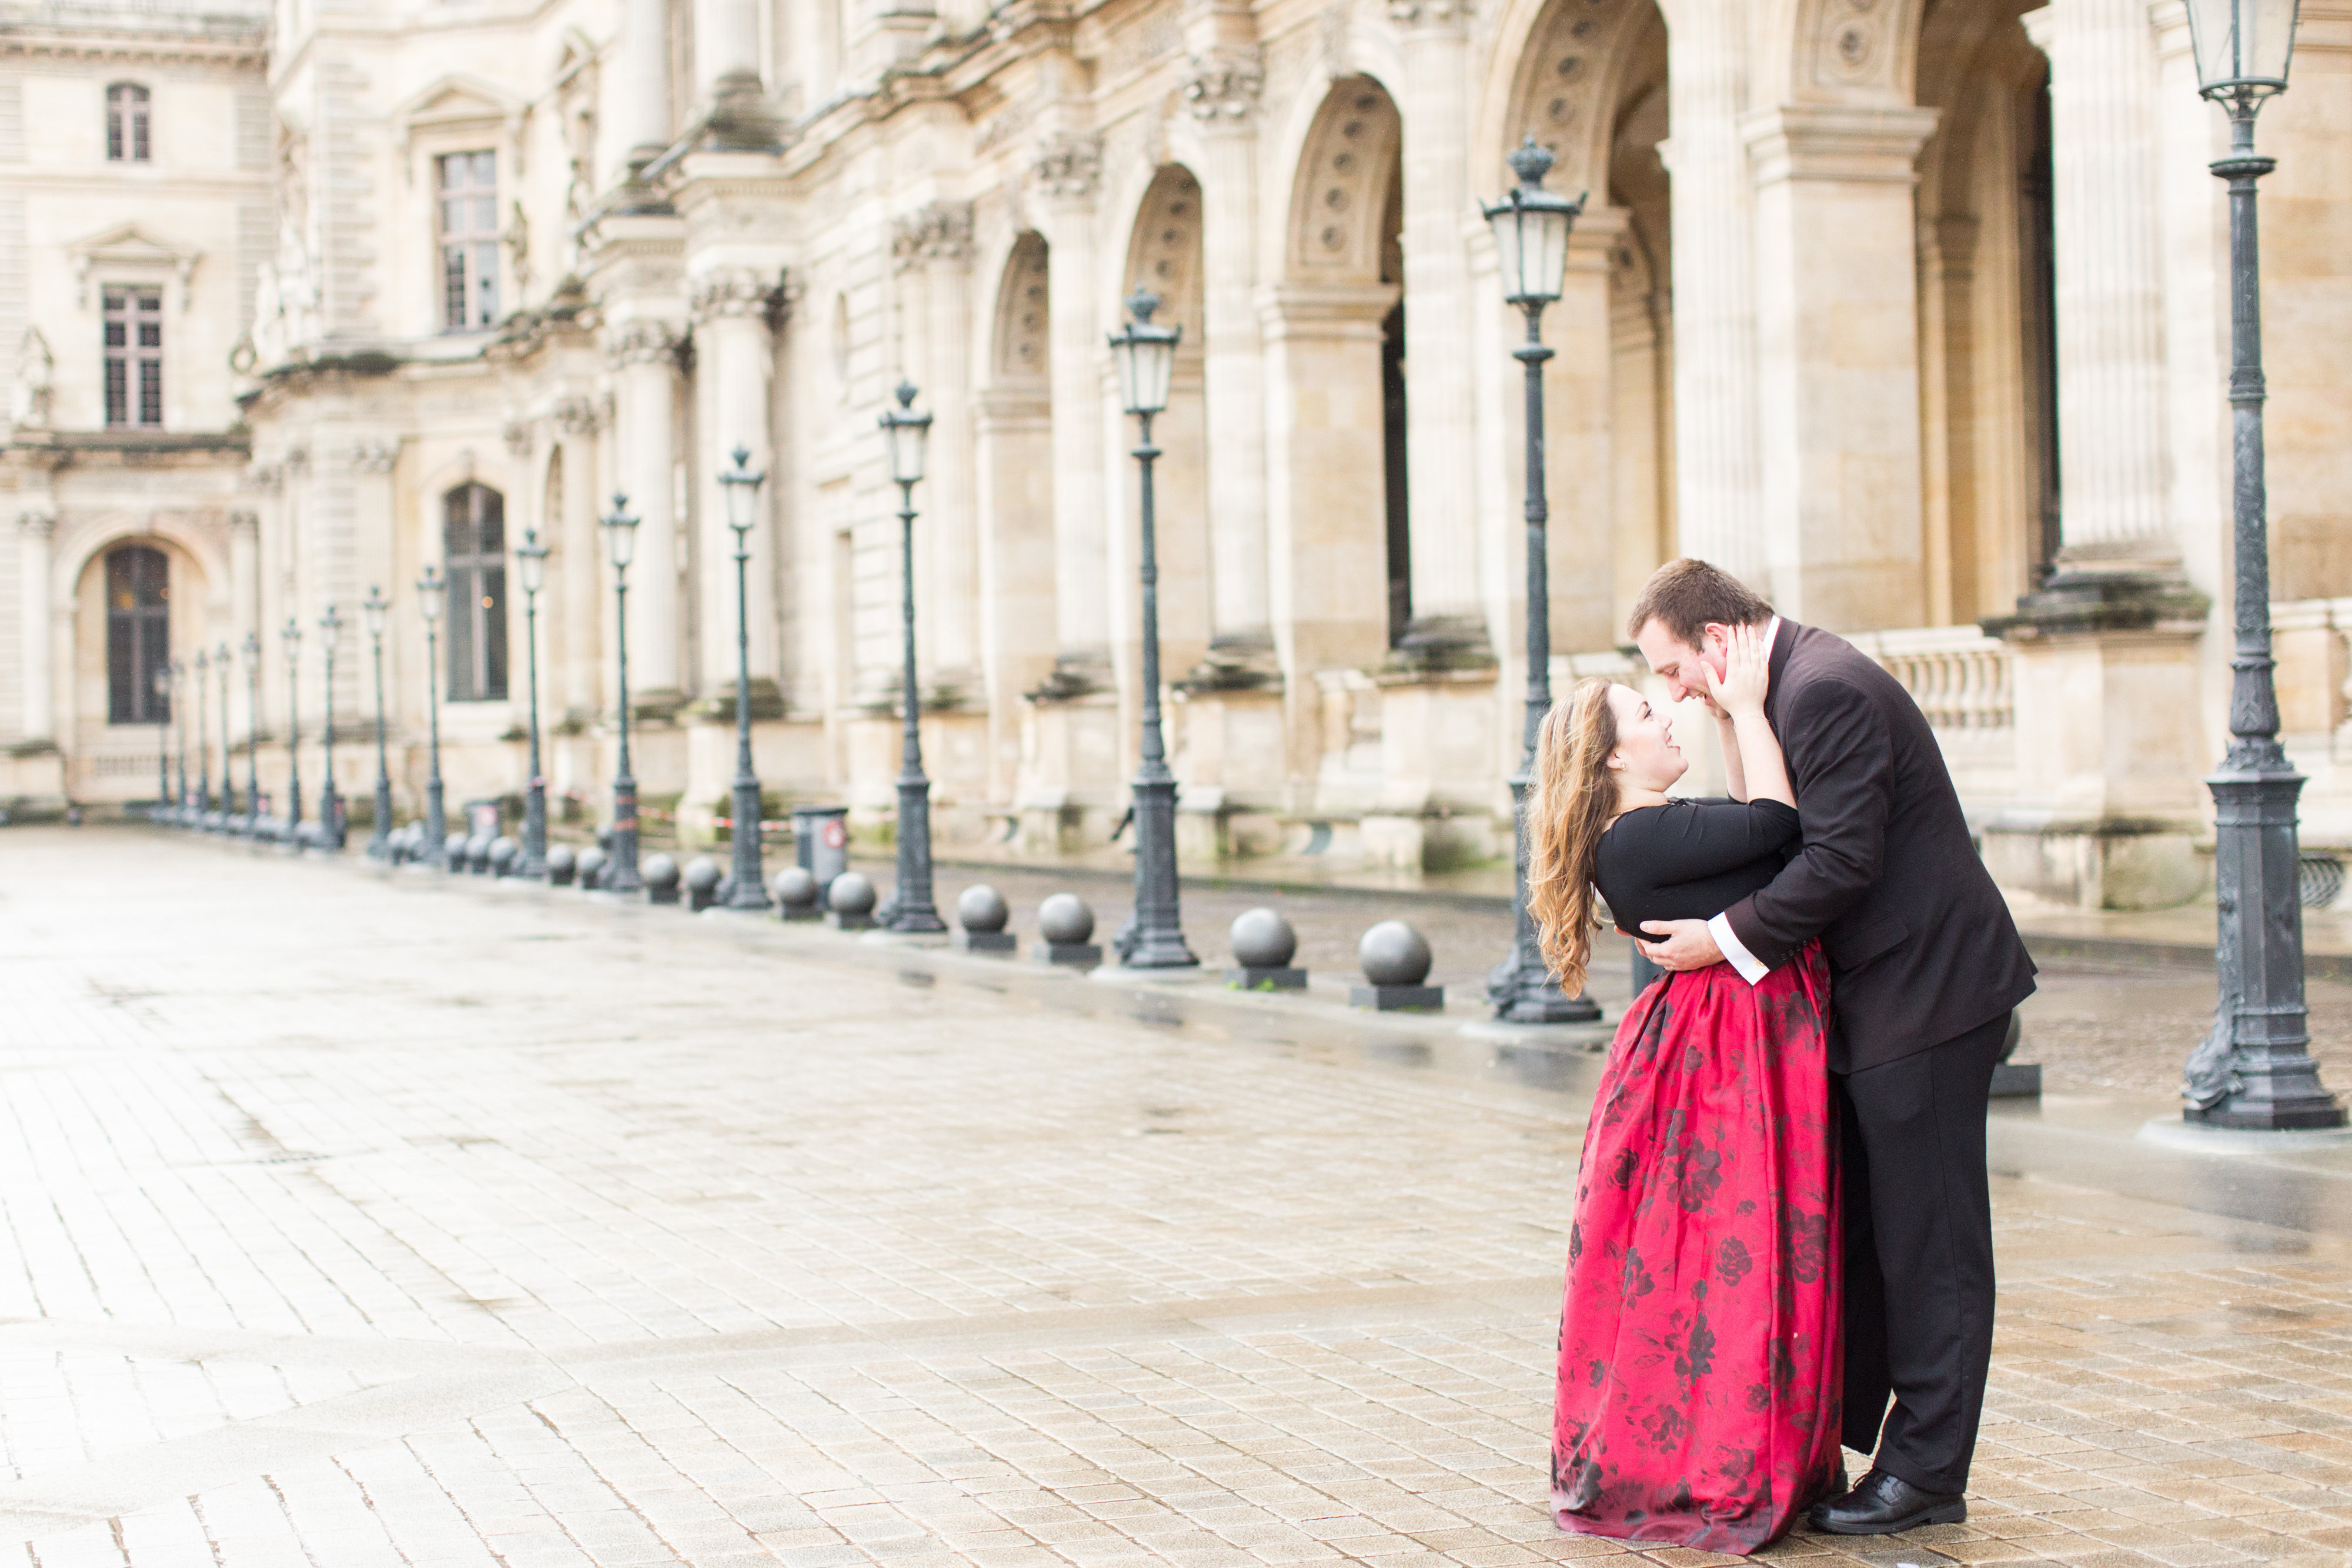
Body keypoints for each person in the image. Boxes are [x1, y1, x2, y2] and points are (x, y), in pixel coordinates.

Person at [1625, 559, 2037, 1536]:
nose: (1671, 690)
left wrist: (1715, 942)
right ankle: (1881, 1451)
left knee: (1930, 1246)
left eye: (1675, 667)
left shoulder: (1830, 690)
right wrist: (1735, 716)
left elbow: (1839, 860)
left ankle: (1927, 1475)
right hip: (1885, 999)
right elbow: (1777, 835)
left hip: (1927, 996)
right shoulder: (1786, 689)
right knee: (1883, 1238)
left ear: (1717, 641)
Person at [1531, 627, 1843, 1555]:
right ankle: (1723, 1458)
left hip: (1710, 1041)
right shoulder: (1647, 834)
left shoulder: (1651, 833)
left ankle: (1727, 1446)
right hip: (1724, 1048)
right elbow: (1780, 829)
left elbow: (1759, 836)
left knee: (1706, 1249)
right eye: (1643, 709)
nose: (1665, 712)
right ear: (1612, 754)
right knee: (1736, 1241)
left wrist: (1739, 719)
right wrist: (1744, 707)